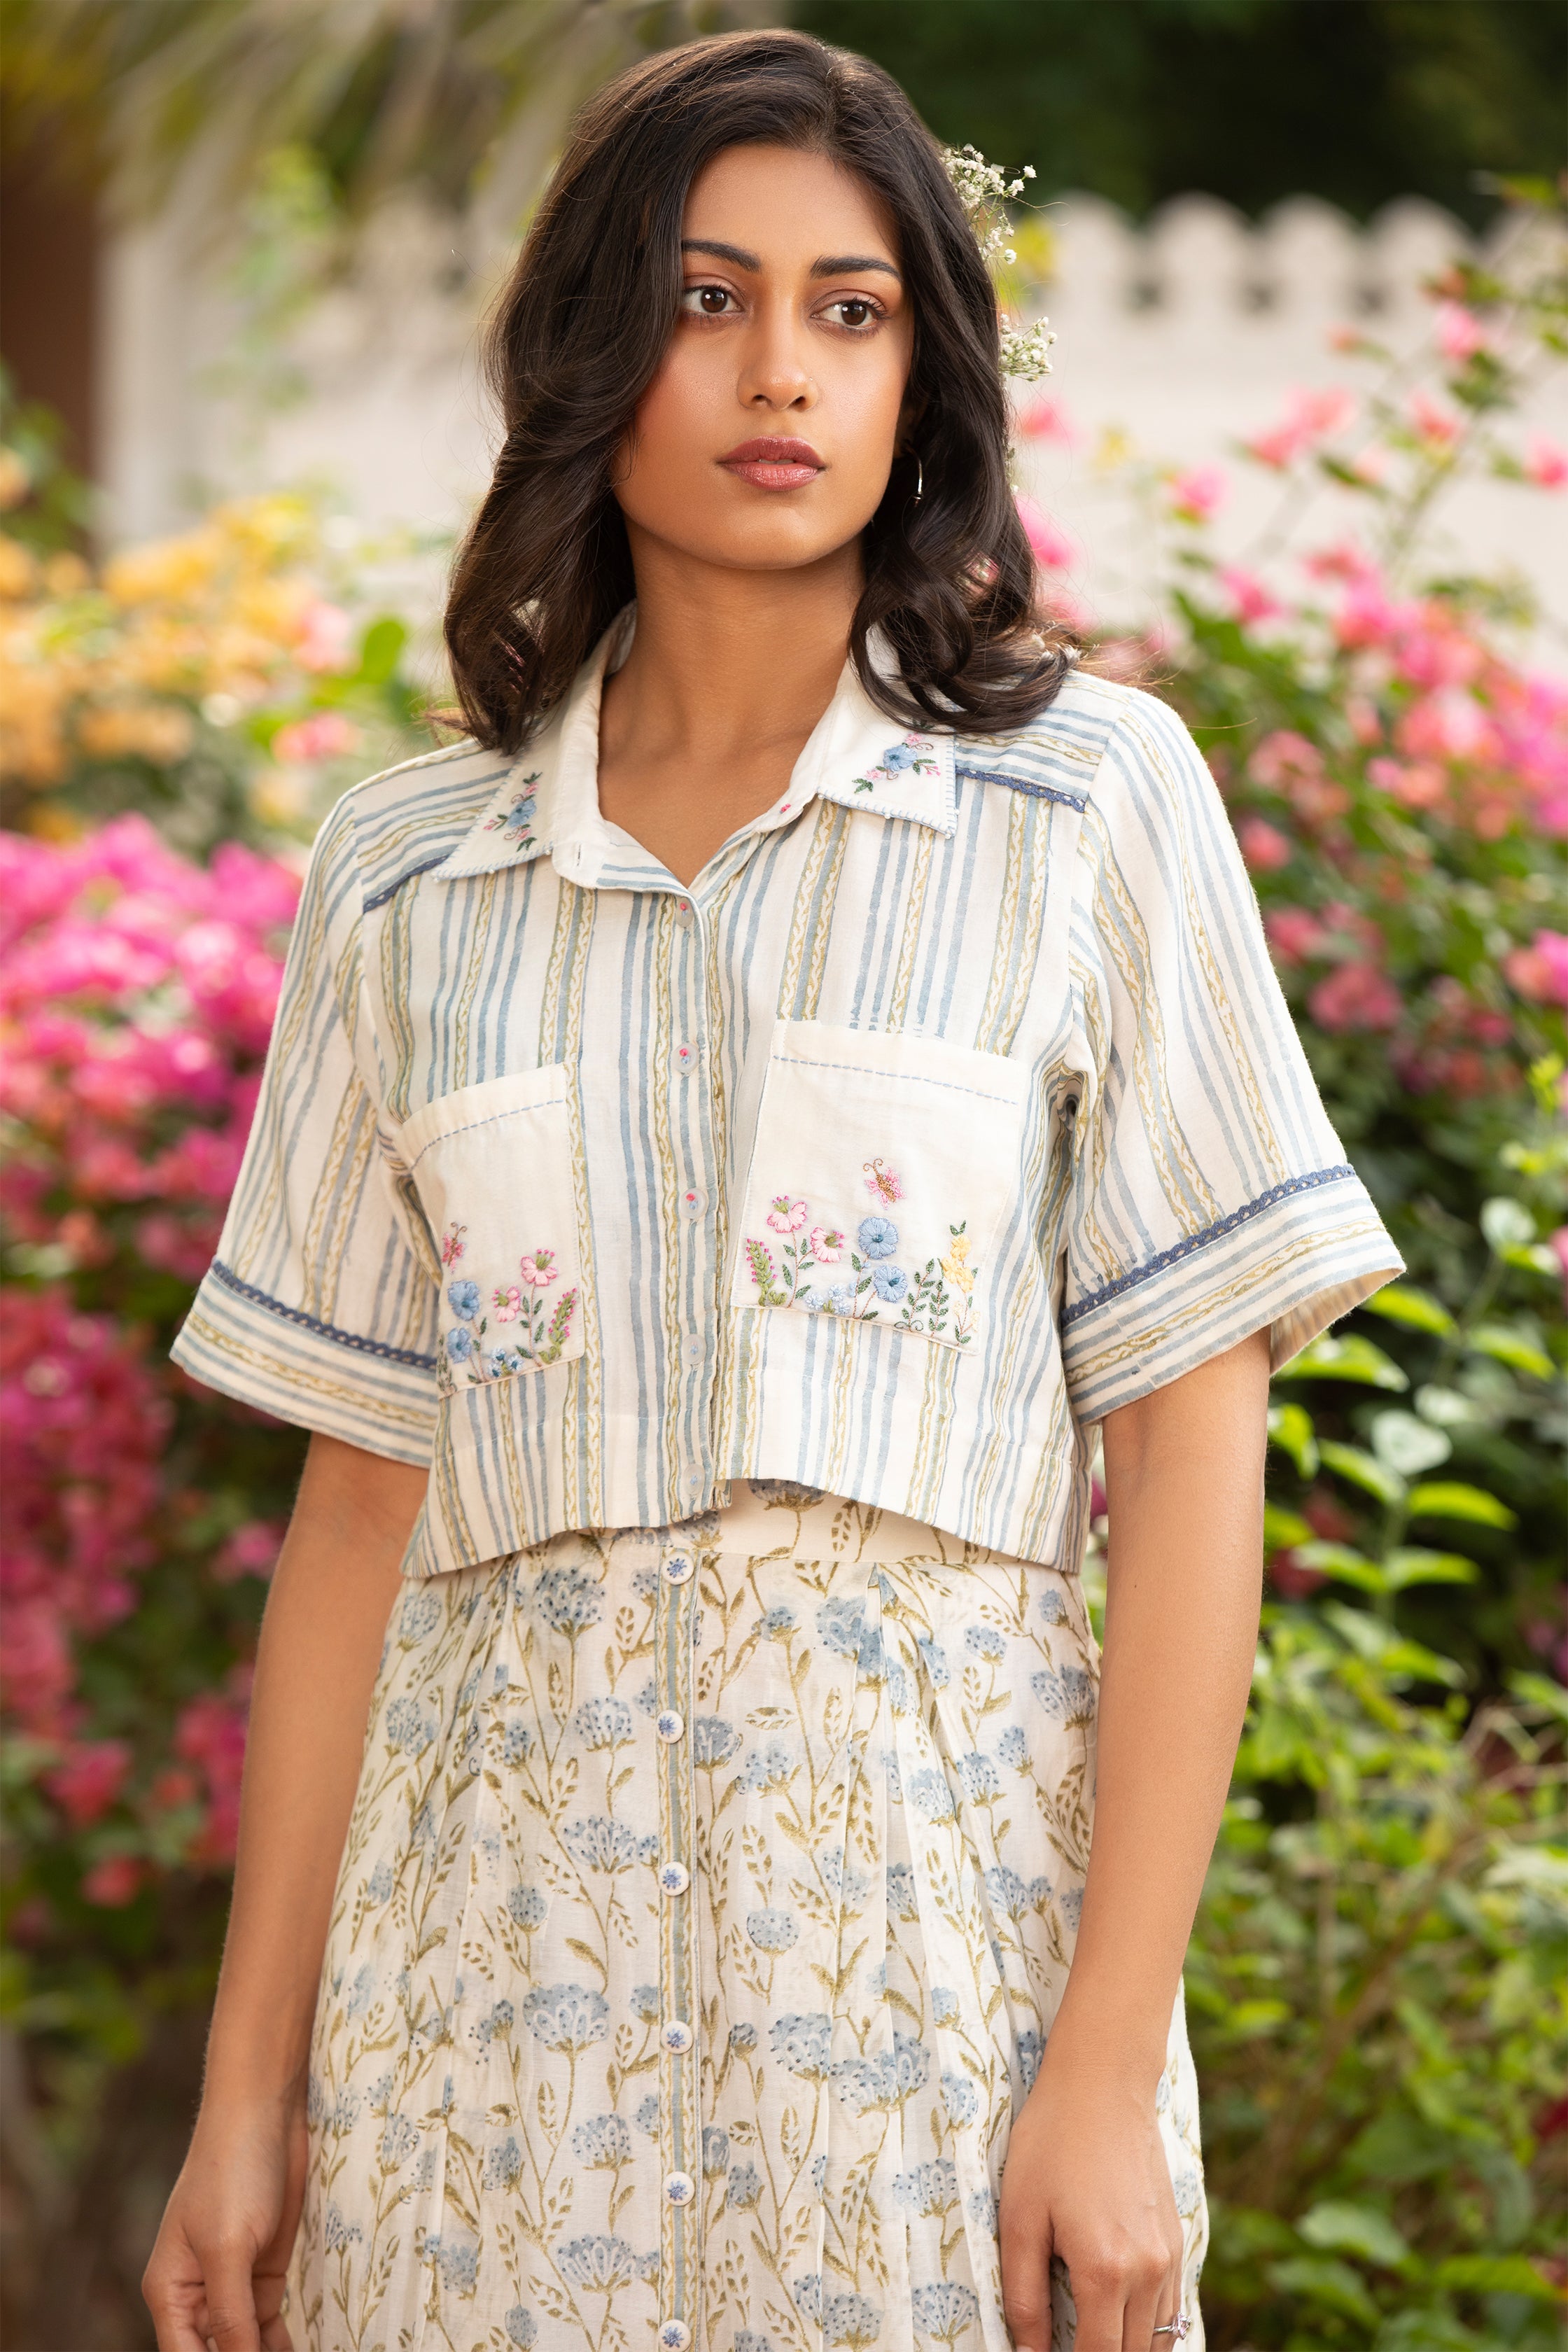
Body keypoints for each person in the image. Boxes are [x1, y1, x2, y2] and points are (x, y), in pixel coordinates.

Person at [143, 29, 1402, 2352]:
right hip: (479, 2037)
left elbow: (1194, 1447)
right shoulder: (409, 874)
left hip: (935, 2017)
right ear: (594, 350)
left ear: (925, 370)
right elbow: (353, 1509)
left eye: (852, 309)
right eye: (710, 299)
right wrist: (250, 2092)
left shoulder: (1090, 806)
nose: (779, 371)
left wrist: (1106, 2070)